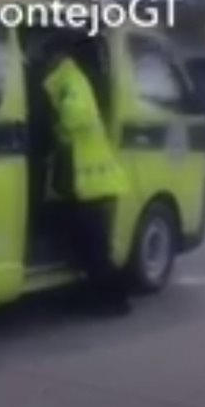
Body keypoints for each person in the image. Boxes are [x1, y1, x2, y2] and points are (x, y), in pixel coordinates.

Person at [38, 36, 132, 315]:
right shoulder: (70, 79)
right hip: (85, 182)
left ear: (56, 59)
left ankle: (114, 301)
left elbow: (77, 117)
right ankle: (103, 296)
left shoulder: (69, 81)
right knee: (88, 243)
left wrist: (56, 120)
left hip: (89, 181)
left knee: (95, 248)